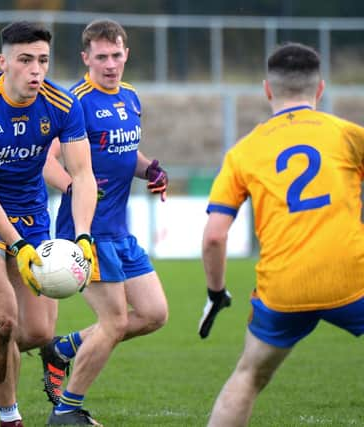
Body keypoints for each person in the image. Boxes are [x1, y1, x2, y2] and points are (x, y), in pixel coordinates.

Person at [199, 42, 364, 427]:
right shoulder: (349, 136)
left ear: (267, 90)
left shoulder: (244, 152)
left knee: (249, 376)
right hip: (353, 279)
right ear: (320, 89)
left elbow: (213, 237)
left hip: (284, 288)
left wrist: (215, 292)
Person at [0, 21, 97, 427]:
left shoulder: (63, 104)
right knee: (4, 319)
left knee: (39, 331)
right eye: (25, 60)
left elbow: (83, 176)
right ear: (4, 62)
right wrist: (16, 245)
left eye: (43, 60)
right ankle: (10, 416)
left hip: (30, 214)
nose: (36, 70)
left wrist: (82, 235)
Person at [40, 19, 169, 426]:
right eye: (101, 57)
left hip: (119, 231)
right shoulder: (73, 101)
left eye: (116, 55)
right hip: (85, 232)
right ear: (86, 58)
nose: (110, 64)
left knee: (153, 314)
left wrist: (150, 170)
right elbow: (48, 160)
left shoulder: (130, 97)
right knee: (113, 322)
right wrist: (76, 187)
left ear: (126, 54)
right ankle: (67, 410)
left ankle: (64, 348)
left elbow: (124, 152)